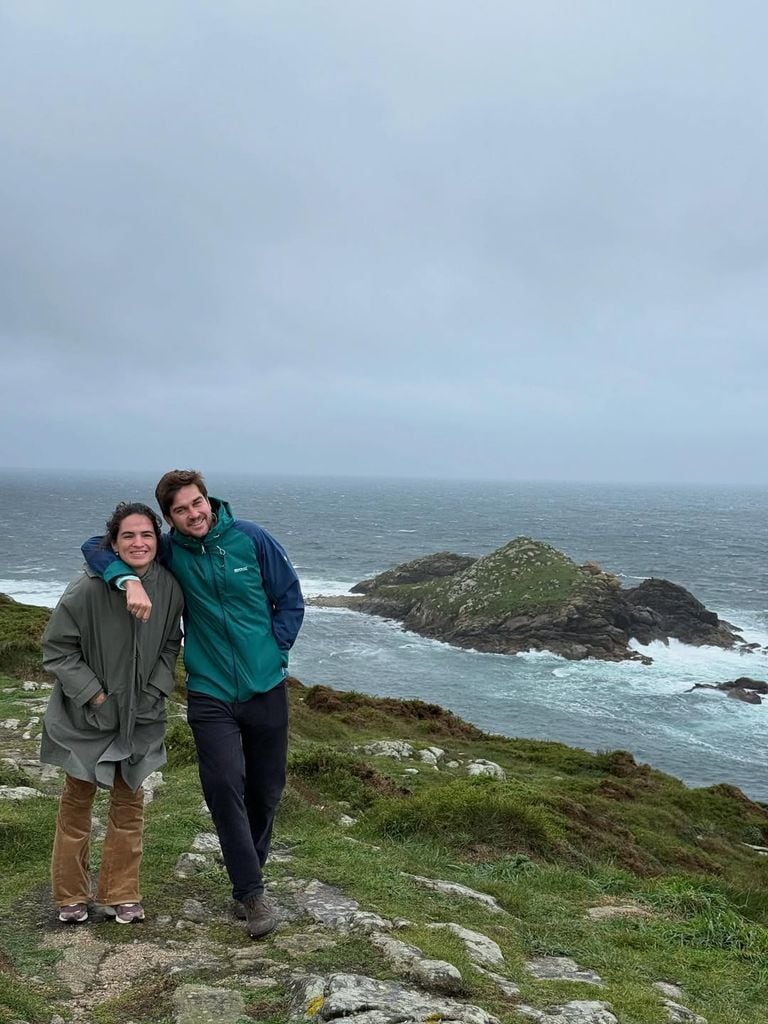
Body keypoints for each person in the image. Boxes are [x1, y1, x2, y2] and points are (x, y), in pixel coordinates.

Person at [82, 470, 304, 939]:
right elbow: (95, 547)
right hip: (210, 689)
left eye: (197, 503)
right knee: (223, 784)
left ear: (210, 500)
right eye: (180, 510)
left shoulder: (252, 539)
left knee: (265, 792)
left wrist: (275, 651)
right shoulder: (169, 550)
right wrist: (129, 581)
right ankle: (251, 893)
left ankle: (248, 873)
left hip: (266, 687)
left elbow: (290, 600)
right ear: (169, 519)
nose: (193, 514)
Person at [42, 502, 183, 925]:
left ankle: (121, 894)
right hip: (85, 717)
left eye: (147, 535)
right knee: (76, 802)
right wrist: (96, 696)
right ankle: (70, 895)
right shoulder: (84, 589)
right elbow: (57, 650)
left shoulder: (170, 589)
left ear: (157, 541)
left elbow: (170, 645)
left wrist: (156, 690)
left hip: (141, 716)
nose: (138, 543)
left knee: (129, 801)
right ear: (113, 542)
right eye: (128, 536)